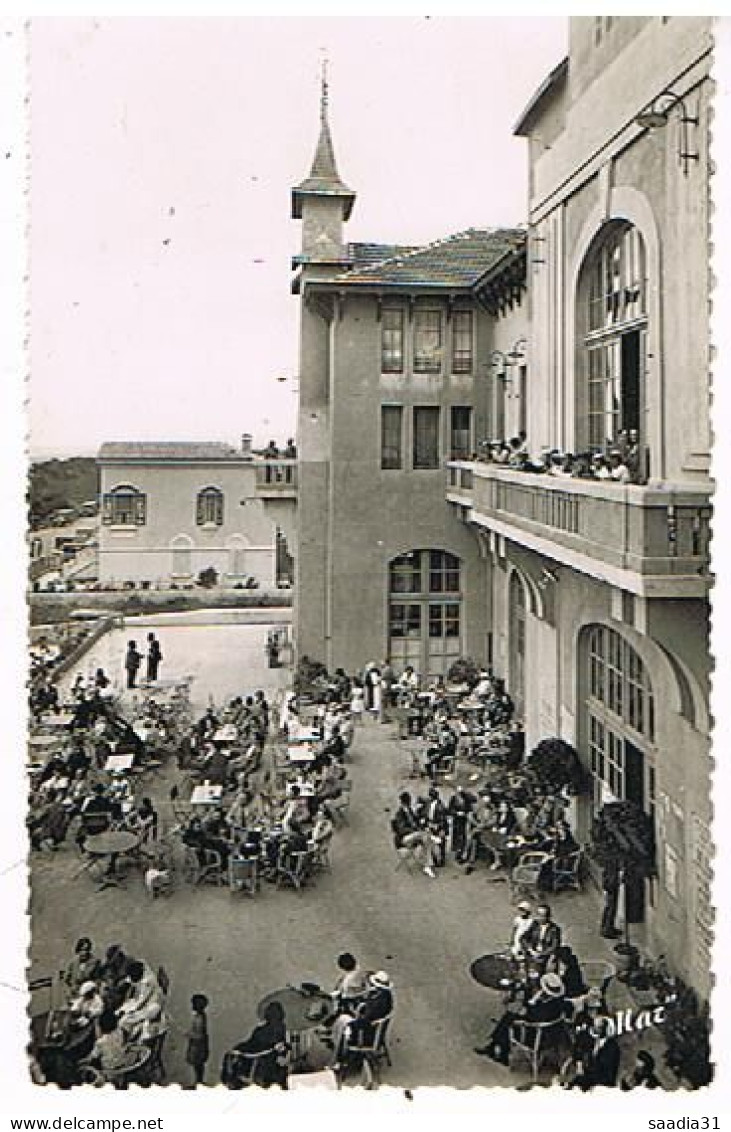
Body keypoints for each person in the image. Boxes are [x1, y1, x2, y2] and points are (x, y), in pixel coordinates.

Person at [475, 972, 569, 1064]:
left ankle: (500, 1051)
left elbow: (528, 1014)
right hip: (553, 1034)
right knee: (509, 1018)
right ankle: (494, 1046)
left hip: (538, 1036)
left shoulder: (540, 1008)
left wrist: (532, 1001)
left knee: (508, 1021)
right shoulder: (557, 1002)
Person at [226, 1001, 288, 1088]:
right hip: (257, 1049)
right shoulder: (261, 1028)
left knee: (254, 1059)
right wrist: (240, 1048)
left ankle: (245, 1076)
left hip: (267, 1053)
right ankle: (237, 1076)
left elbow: (277, 1043)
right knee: (235, 1054)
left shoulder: (280, 1028)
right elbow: (253, 1040)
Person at [390, 791, 438, 879]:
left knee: (426, 841)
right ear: (404, 802)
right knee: (425, 837)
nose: (410, 803)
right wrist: (414, 831)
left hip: (414, 836)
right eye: (408, 802)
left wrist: (421, 822)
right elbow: (401, 830)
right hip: (403, 839)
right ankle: (430, 837)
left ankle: (427, 866)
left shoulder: (410, 810)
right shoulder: (399, 814)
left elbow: (416, 821)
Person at [185, 994, 210, 1087]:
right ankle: (199, 1080)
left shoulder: (198, 1018)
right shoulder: (201, 1016)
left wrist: (188, 1034)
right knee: (199, 1064)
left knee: (197, 1064)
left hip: (197, 1045)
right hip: (201, 1043)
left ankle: (198, 1081)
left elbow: (198, 1034)